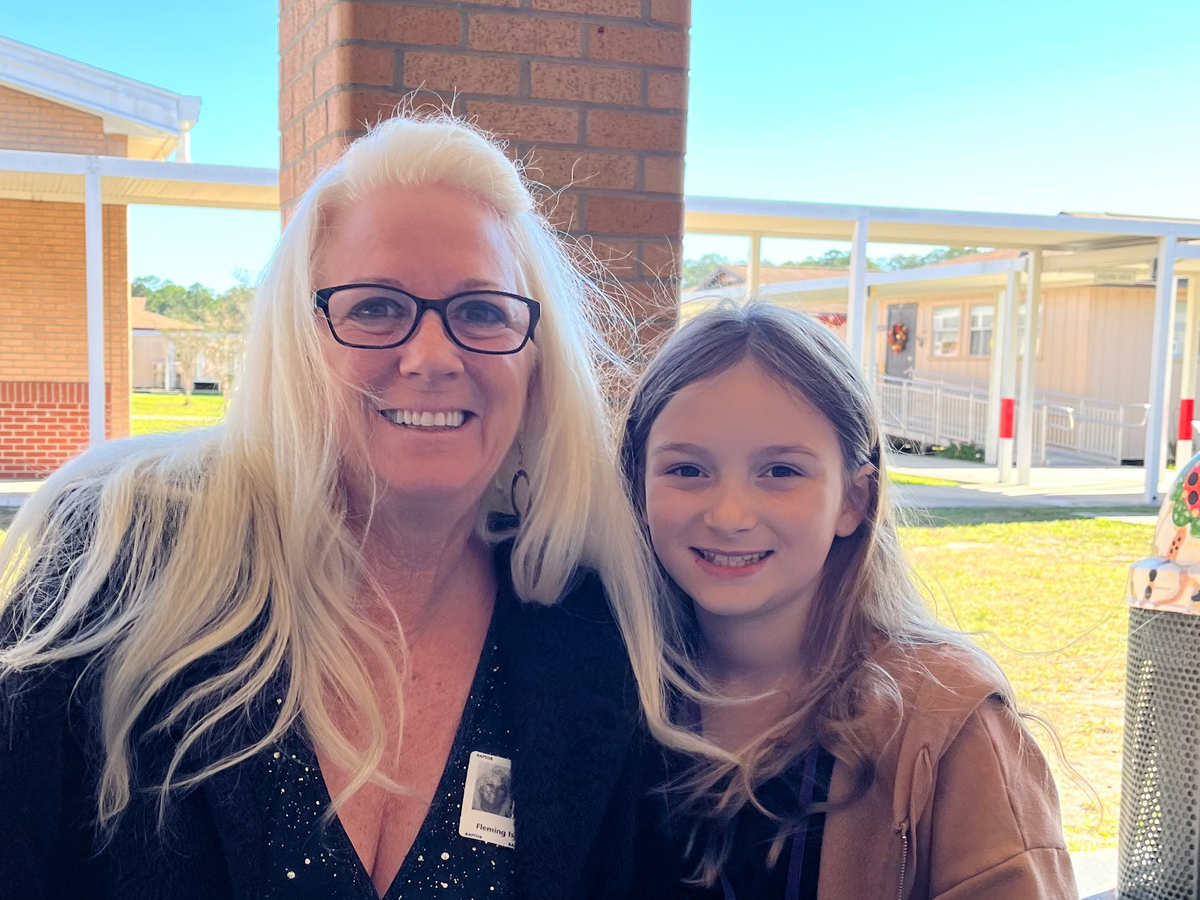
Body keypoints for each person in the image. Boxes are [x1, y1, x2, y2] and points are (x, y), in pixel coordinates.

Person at [0, 114, 680, 900]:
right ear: (300, 344)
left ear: (536, 361)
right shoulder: (124, 553)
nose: (432, 357)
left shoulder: (593, 632)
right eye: (376, 307)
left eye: (483, 311)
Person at [620, 302, 1078, 900]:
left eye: (780, 471)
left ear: (854, 500)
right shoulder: (605, 683)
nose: (729, 515)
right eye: (687, 470)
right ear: (638, 486)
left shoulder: (949, 729)